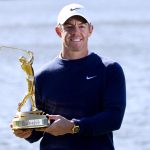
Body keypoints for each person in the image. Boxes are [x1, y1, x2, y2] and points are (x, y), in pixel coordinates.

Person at [12, 3, 126, 150]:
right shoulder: (42, 76)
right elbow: (37, 130)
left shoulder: (109, 70)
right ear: (59, 31)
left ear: (90, 29)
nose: (76, 32)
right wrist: (25, 132)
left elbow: (113, 119)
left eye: (81, 26)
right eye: (69, 26)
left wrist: (73, 126)